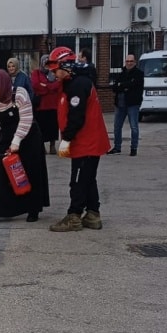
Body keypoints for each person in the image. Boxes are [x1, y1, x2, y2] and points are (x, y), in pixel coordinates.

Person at [47, 47, 110, 232]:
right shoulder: (74, 82)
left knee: (78, 180)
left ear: (66, 67)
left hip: (86, 142)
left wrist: (66, 139)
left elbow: (76, 116)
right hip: (87, 141)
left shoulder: (77, 85)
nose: (53, 74)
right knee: (88, 179)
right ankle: (92, 214)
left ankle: (74, 216)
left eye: (55, 70)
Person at [0, 69, 49, 224]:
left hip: (29, 138)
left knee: (31, 172)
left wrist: (16, 142)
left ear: (2, 84)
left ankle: (33, 209)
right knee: (2, 174)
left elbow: (26, 119)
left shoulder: (20, 94)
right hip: (7, 139)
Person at [109, 54, 144, 156]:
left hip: (133, 104)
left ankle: (133, 148)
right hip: (120, 104)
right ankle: (117, 147)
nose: (129, 63)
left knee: (134, 126)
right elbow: (115, 87)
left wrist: (122, 85)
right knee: (117, 126)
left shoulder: (139, 73)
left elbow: (133, 85)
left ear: (135, 62)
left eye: (131, 61)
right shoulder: (121, 73)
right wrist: (124, 85)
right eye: (127, 61)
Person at [31, 54, 62, 155]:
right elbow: (36, 85)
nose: (46, 65)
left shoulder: (54, 73)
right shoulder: (36, 73)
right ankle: (42, 147)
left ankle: (52, 146)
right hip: (41, 106)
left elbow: (58, 85)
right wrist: (50, 87)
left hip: (53, 105)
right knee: (41, 127)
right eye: (44, 62)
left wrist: (45, 86)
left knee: (53, 127)